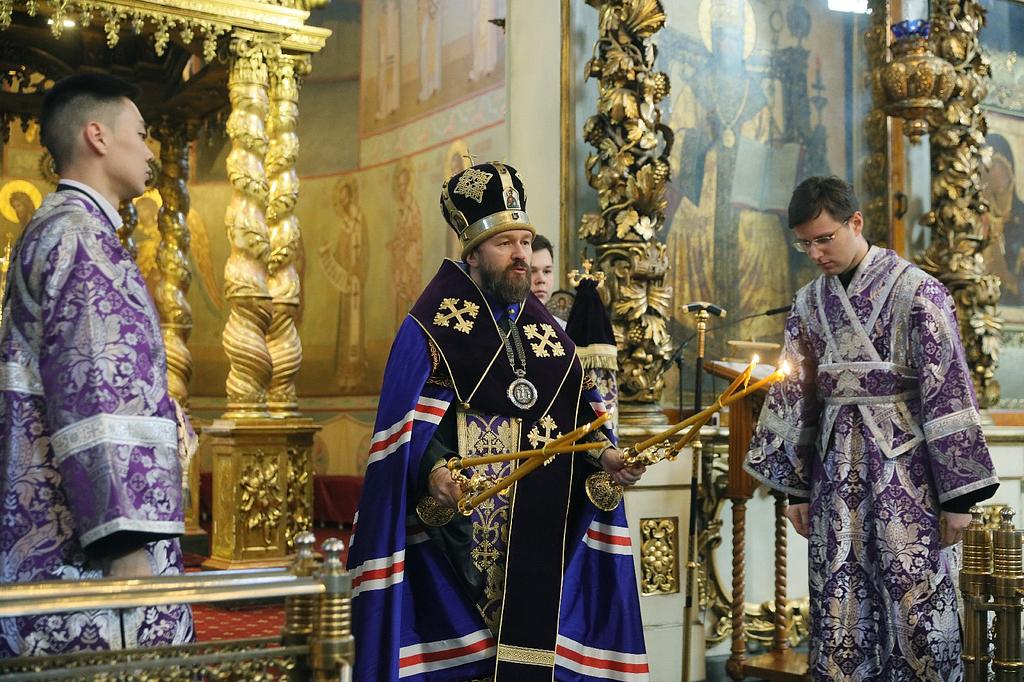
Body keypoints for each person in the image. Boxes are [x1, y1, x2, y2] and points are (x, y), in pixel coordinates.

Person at [348, 161, 648, 681]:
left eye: (525, 242)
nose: (521, 256)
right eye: (505, 243)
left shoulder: (547, 334)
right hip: (452, 535)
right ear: (473, 253)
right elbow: (411, 430)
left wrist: (606, 455)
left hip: (536, 523)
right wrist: (435, 471)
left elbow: (577, 415)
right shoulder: (430, 327)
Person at [744, 176, 999, 681]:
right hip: (835, 478)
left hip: (909, 476)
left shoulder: (918, 291)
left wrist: (960, 500)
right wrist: (795, 490)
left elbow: (947, 389)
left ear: (855, 222)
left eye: (824, 239)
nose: (815, 253)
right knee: (840, 608)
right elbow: (796, 397)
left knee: (916, 606)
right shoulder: (808, 303)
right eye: (804, 244)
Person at [0, 73, 194, 656]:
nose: (150, 150)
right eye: (141, 133)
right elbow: (97, 392)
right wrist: (125, 545)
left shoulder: (58, 227)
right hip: (91, 551)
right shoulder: (81, 238)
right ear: (98, 136)